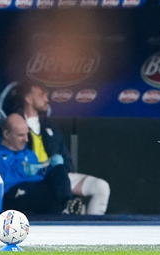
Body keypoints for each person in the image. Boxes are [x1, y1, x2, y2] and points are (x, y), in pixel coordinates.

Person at [8, 82, 111, 215]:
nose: (46, 99)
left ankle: (91, 231)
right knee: (56, 197)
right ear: (29, 99)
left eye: (46, 95)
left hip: (58, 177)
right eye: (41, 95)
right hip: (31, 179)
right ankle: (67, 208)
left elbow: (68, 162)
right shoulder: (14, 123)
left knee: (101, 187)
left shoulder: (51, 126)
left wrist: (57, 170)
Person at [0, 113, 82, 214]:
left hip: (37, 188)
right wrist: (20, 171)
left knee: (59, 170)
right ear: (6, 134)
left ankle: (68, 203)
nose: (26, 140)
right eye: (21, 135)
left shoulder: (29, 153)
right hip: (12, 193)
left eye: (27, 134)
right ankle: (64, 207)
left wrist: (49, 167)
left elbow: (41, 175)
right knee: (43, 193)